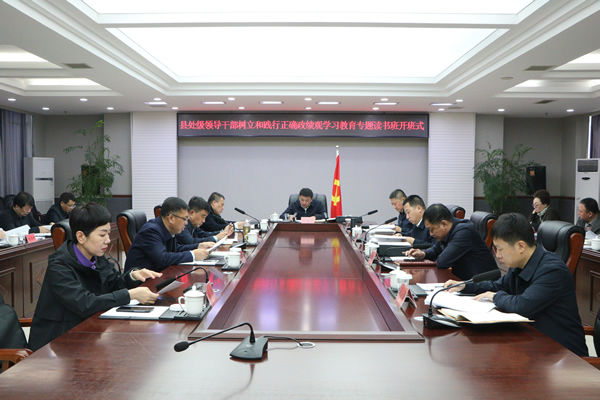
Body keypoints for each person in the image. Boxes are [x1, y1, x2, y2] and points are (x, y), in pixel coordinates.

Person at [443, 213, 588, 357]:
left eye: (500, 249)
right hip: (532, 342)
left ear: (520, 246)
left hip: (563, 356)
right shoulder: (520, 264)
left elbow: (523, 305)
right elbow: (498, 286)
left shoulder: (553, 271)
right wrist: (465, 286)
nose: (497, 255)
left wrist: (496, 297)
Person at [28, 202, 162, 351]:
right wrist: (131, 295)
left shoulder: (96, 257)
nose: (108, 240)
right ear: (81, 236)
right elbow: (85, 303)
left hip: (88, 331)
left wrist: (133, 276)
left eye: (108, 234)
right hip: (56, 344)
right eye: (102, 235)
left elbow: (114, 283)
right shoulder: (59, 267)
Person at [405, 204, 498, 280]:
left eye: (432, 229)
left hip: (483, 286)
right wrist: (423, 253)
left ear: (444, 224)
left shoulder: (464, 232)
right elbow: (436, 249)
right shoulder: (448, 231)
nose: (430, 234)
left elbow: (442, 262)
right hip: (463, 282)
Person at [124, 197, 213, 273]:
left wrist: (198, 246)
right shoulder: (151, 231)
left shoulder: (167, 229)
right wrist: (192, 255)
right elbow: (163, 259)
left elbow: (176, 249)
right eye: (184, 219)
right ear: (171, 218)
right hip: (143, 283)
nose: (186, 223)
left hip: (158, 276)